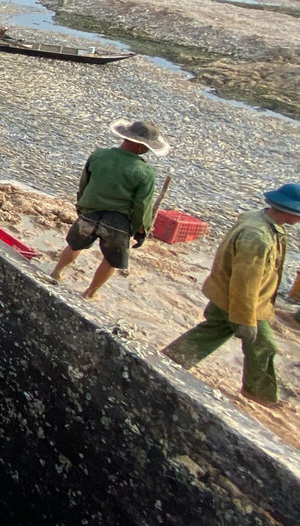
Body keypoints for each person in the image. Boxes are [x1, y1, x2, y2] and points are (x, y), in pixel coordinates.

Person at [163, 183, 300, 405]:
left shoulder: (256, 219)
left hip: (224, 294)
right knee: (263, 347)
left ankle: (170, 360)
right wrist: (245, 320)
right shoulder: (258, 238)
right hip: (241, 302)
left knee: (211, 332)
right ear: (290, 211)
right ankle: (259, 396)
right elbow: (245, 283)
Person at [48, 119, 168, 299]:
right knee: (111, 260)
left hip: (91, 211)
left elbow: (84, 183)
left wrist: (82, 205)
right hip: (118, 222)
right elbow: (142, 206)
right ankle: (90, 292)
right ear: (139, 146)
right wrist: (141, 229)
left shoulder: (99, 155)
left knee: (74, 245)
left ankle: (56, 273)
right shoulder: (145, 172)